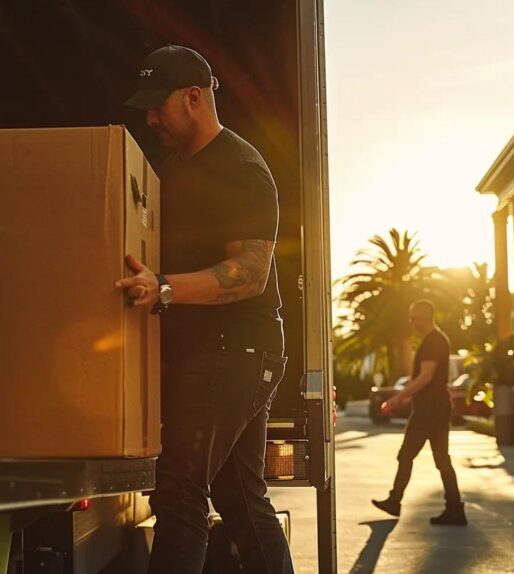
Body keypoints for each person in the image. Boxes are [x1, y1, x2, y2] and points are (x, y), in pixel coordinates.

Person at [116, 45, 294, 574]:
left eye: (158, 105)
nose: (150, 118)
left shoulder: (241, 168)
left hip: (238, 350)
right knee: (239, 499)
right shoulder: (173, 167)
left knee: (178, 492)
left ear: (194, 98)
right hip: (212, 352)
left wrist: (163, 288)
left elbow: (250, 273)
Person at [371, 299, 467, 525]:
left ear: (426, 317)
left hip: (429, 411)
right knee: (442, 460)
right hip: (436, 408)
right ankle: (454, 509)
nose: (412, 322)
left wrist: (396, 399)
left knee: (407, 455)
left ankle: (396, 501)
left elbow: (425, 377)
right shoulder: (435, 340)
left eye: (415, 318)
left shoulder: (433, 342)